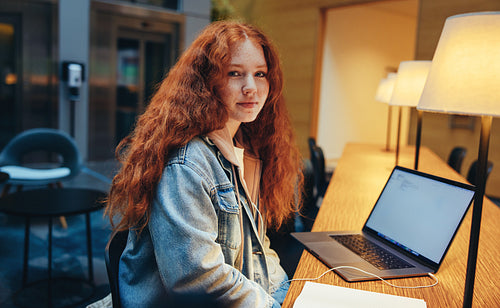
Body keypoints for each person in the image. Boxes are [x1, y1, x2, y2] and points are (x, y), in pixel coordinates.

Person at [93, 20, 303, 308]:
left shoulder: (244, 146)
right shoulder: (187, 163)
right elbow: (196, 279)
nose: (251, 87)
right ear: (207, 81)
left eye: (260, 74)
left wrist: (289, 292)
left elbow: (257, 250)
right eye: (235, 74)